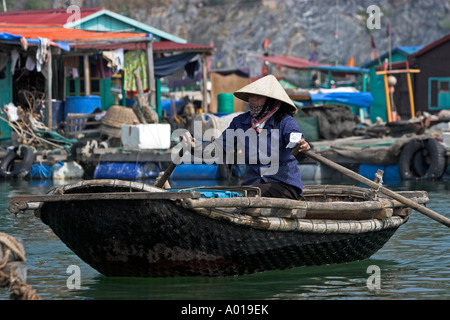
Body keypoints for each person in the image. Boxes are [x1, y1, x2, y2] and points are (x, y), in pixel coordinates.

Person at [184, 74, 310, 200]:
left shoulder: (285, 121)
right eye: (251, 96)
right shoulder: (241, 122)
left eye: (258, 96)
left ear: (270, 101)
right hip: (253, 185)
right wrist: (195, 147)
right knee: (239, 193)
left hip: (283, 186)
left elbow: (296, 141)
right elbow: (218, 146)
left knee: (248, 194)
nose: (252, 100)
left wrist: (301, 147)